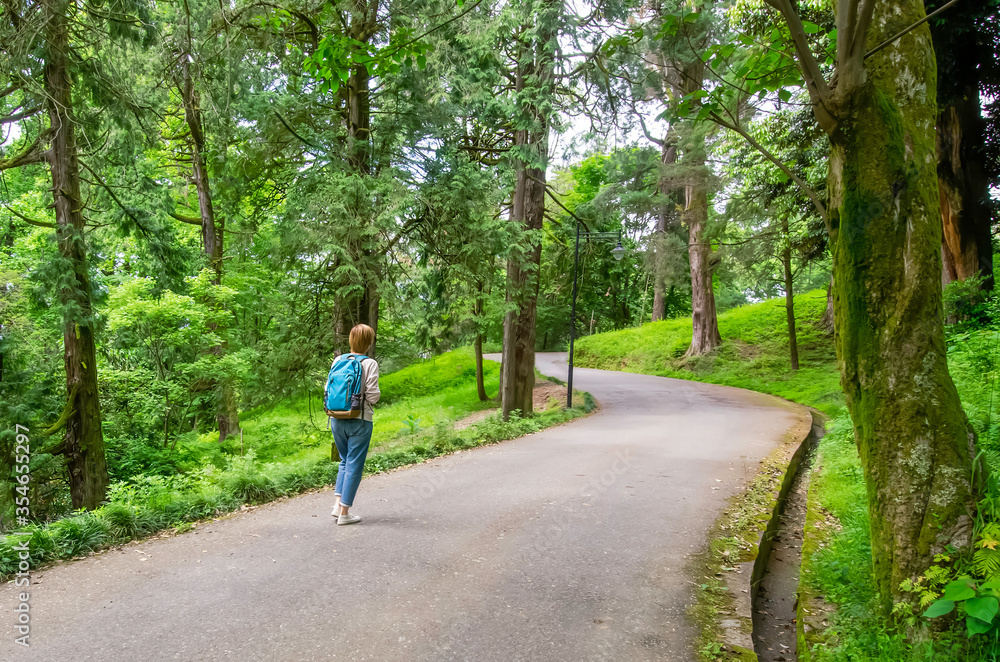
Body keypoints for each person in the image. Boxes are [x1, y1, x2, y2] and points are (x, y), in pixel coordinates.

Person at [330, 324, 380, 525]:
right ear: (368, 342)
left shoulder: (338, 360)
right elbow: (373, 395)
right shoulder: (370, 363)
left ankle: (336, 505)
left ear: (351, 341)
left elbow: (329, 387)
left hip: (335, 418)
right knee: (354, 465)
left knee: (344, 460)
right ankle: (344, 513)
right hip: (359, 420)